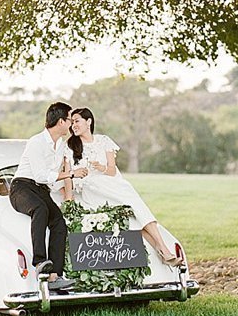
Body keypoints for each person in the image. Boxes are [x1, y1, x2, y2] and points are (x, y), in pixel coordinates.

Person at [62, 107, 183, 267]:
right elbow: (68, 176)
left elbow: (111, 171)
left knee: (135, 212)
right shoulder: (70, 146)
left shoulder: (104, 141)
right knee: (132, 211)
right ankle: (163, 250)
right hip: (92, 189)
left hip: (112, 184)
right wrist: (69, 200)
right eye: (72, 123)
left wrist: (101, 167)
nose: (73, 126)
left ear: (88, 121)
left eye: (77, 121)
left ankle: (162, 249)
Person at [10, 102, 89, 290]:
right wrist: (70, 174)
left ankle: (56, 275)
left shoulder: (61, 145)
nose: (71, 124)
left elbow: (55, 176)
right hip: (22, 187)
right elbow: (40, 175)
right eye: (70, 120)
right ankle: (40, 263)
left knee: (59, 223)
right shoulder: (36, 142)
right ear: (61, 121)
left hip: (41, 190)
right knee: (40, 208)